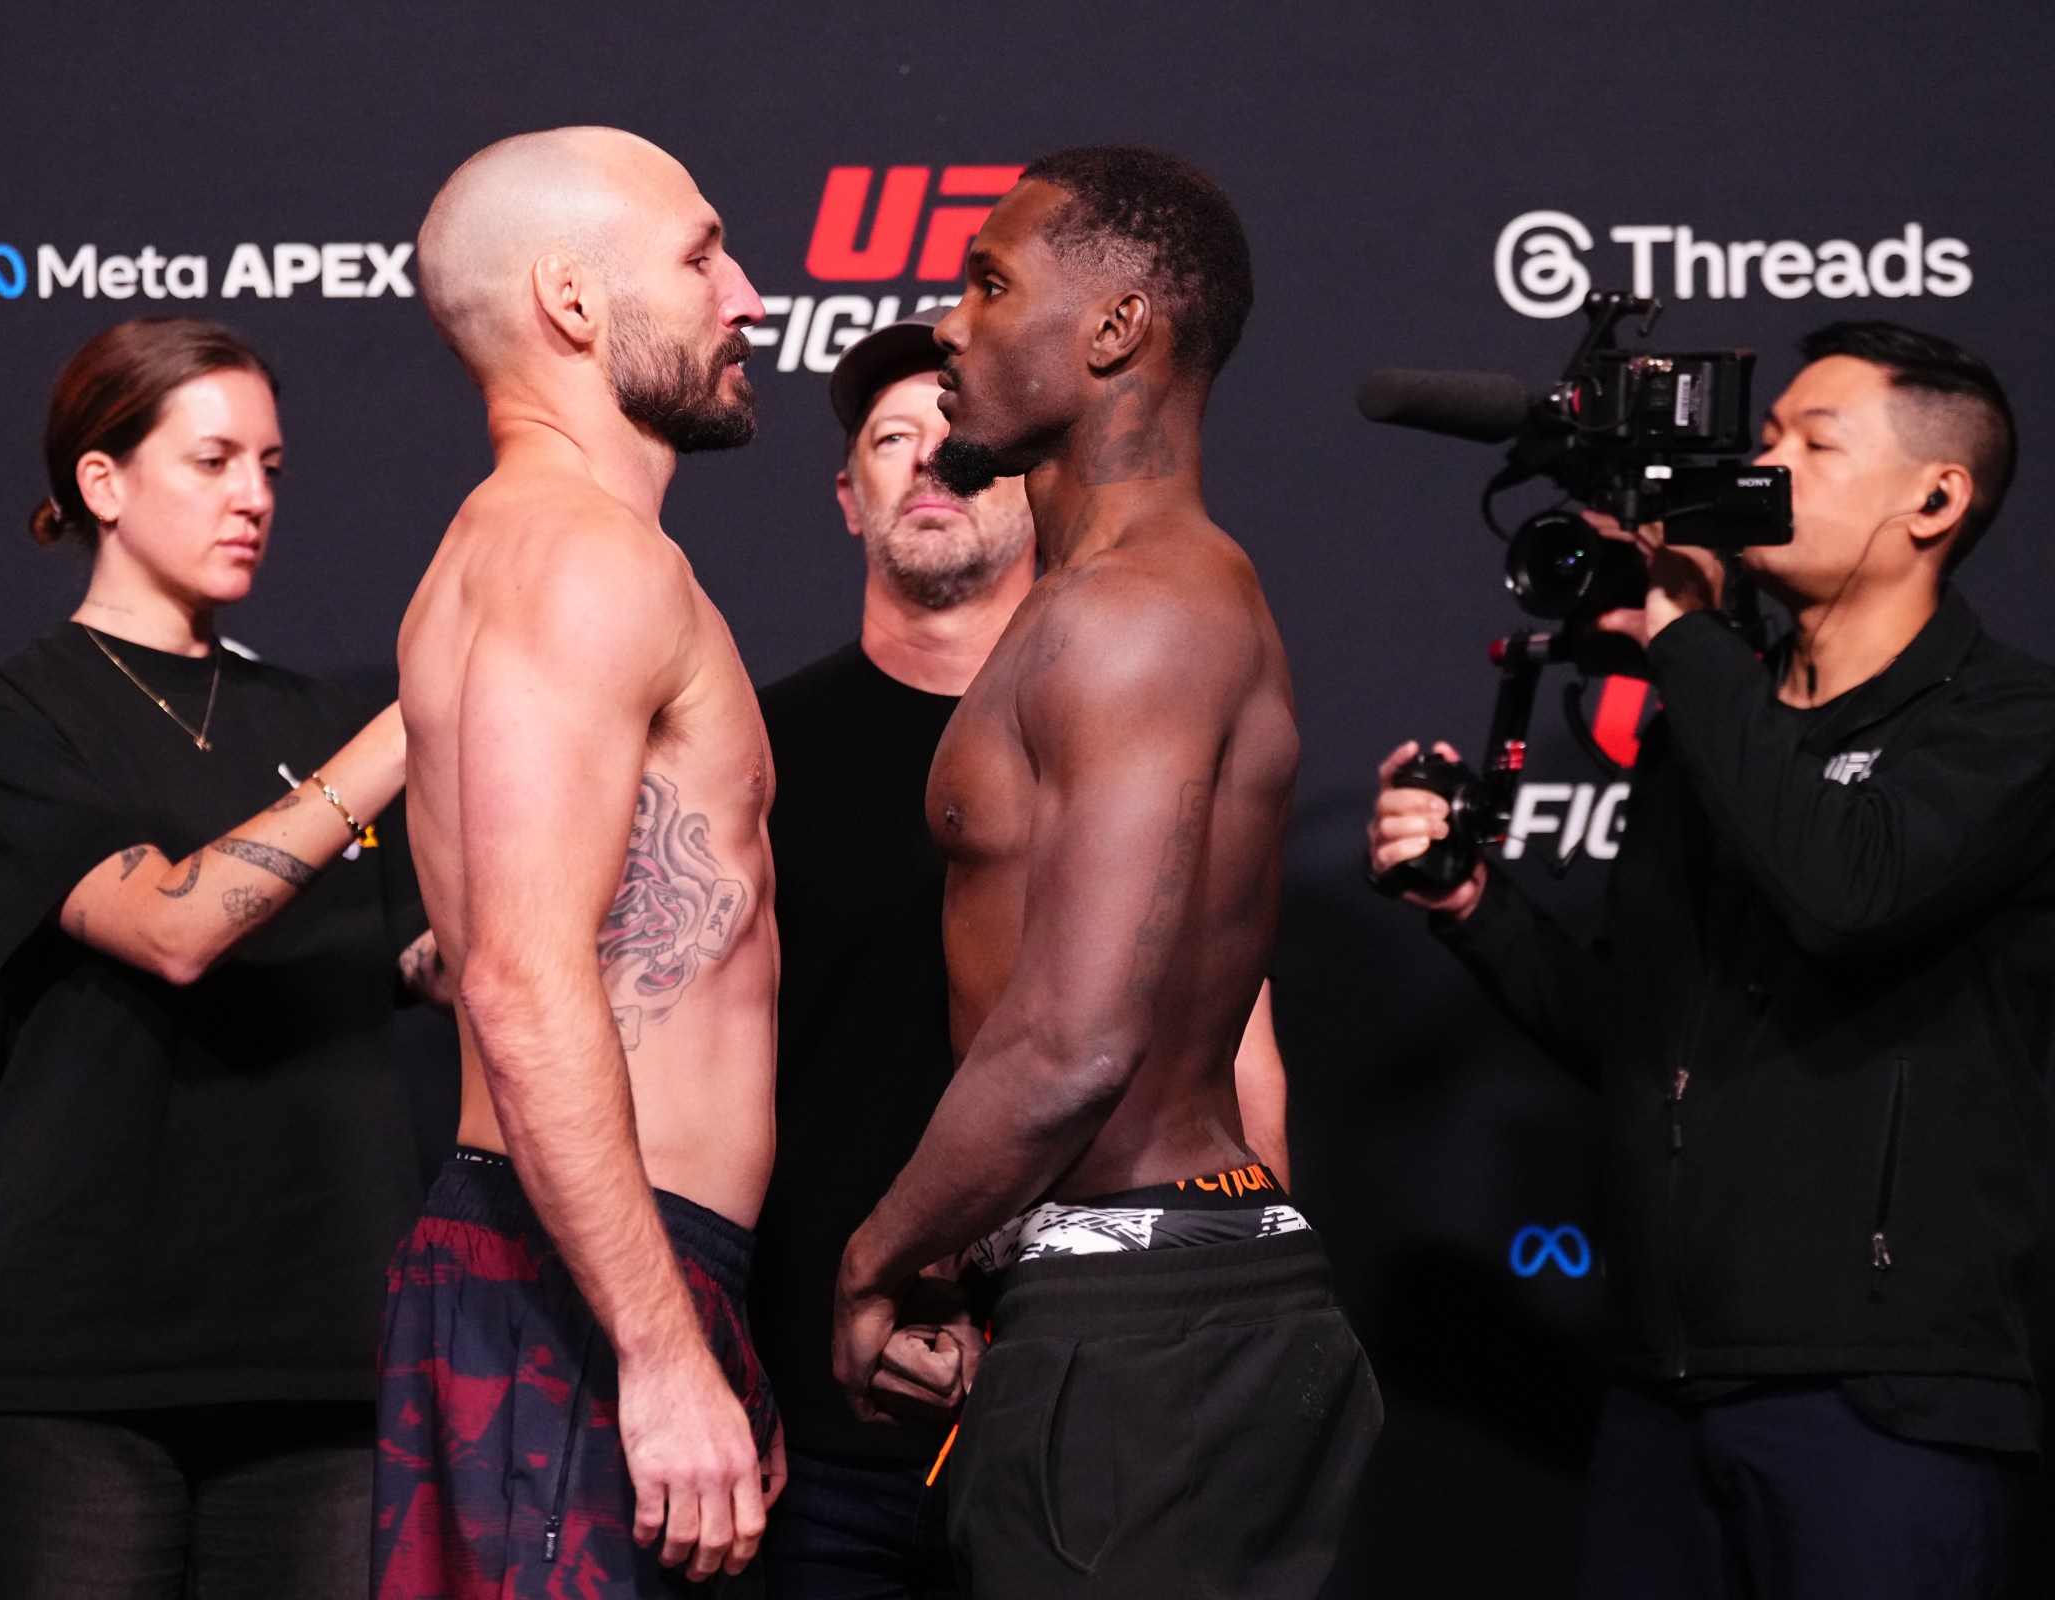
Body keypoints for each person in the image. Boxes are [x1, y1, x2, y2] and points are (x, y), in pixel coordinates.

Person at [1367, 322, 2048, 1599]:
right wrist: (1473, 902)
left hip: (1882, 1402)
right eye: (1768, 431)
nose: (1763, 461)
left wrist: (1685, 633)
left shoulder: (2013, 726)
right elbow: (1643, 1034)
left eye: (1814, 441)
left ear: (1936, 498)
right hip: (1662, 1395)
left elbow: (1851, 888)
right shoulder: (1714, 741)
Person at [830, 147, 1380, 1600]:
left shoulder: (1135, 613)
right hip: (1138, 1312)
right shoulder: (1132, 596)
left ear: (1118, 330)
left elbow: (1074, 1045)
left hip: (1146, 1336)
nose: (950, 323)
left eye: (990, 283)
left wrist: (875, 1261)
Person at [756, 310, 1301, 1599]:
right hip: (815, 1400)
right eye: (891, 438)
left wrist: (1192, 1320)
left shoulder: (1127, 695)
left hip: (1082, 1375)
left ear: (1017, 468)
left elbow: (1236, 1060)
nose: (931, 459)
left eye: (955, 432)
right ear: (847, 498)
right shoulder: (754, 744)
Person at [0, 317, 449, 1599]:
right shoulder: (11, 713)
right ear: (102, 484)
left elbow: (432, 960)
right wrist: (413, 722)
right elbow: (171, 927)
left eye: (270, 464)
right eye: (213, 461)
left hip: (328, 1355)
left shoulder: (312, 718)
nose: (255, 497)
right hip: (81, 1364)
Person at [371, 127, 781, 1598]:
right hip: (593, 1278)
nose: (748, 296)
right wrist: (663, 1352)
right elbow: (522, 981)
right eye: (700, 255)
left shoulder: (511, 550)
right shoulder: (587, 564)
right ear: (571, 299)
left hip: (582, 1265)